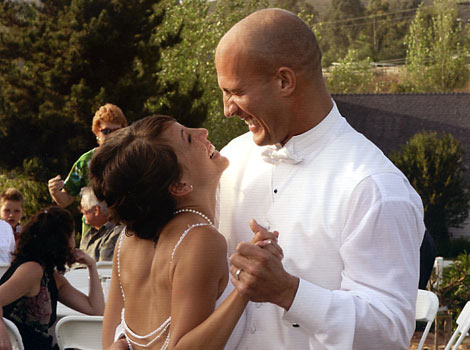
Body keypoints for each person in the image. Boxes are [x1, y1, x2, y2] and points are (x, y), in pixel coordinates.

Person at [215, 8, 426, 350]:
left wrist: (288, 292)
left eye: (235, 91)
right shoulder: (228, 161)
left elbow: (388, 334)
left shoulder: (373, 187)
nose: (228, 108)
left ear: (284, 81)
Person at [89, 115, 280, 350]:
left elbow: (109, 343)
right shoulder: (199, 239)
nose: (203, 131)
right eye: (189, 139)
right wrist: (245, 288)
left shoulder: (127, 241)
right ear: (179, 185)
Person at [0, 206, 105, 350]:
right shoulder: (32, 270)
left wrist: (92, 267)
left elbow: (95, 310)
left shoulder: (51, 277)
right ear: (61, 241)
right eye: (73, 236)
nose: (74, 243)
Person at [48, 103, 128, 236]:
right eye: (106, 131)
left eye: (117, 131)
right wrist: (55, 192)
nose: (112, 136)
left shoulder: (133, 158)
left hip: (126, 233)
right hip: (94, 234)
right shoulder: (86, 161)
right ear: (97, 132)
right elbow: (66, 199)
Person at [79, 186, 124, 262]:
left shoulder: (115, 234)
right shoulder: (89, 234)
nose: (81, 211)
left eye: (83, 207)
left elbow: (102, 269)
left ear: (96, 210)